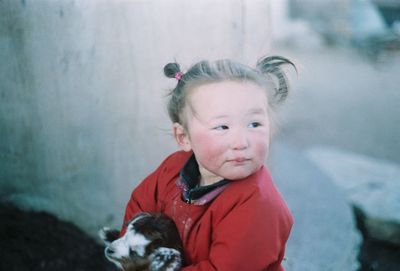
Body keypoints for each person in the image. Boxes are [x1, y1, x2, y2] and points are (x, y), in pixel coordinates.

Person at [120, 55, 296, 271]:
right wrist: (133, 255)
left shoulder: (259, 206)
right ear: (183, 137)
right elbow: (139, 209)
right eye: (222, 127)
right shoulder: (173, 169)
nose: (241, 142)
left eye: (254, 123)